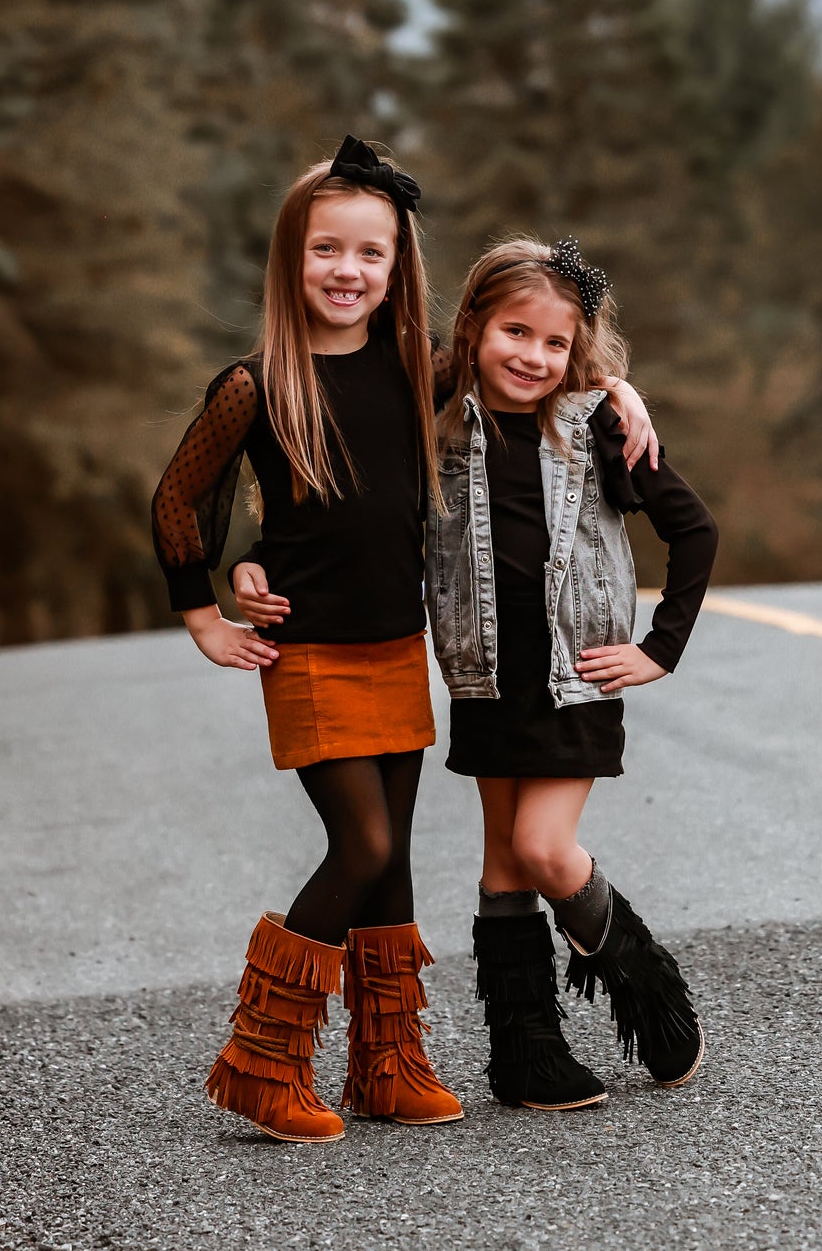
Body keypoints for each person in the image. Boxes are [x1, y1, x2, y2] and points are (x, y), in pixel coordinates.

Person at [151, 139, 655, 1144]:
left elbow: (532, 355)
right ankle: (262, 1060)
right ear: (291, 259)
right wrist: (206, 606)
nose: (347, 270)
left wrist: (616, 388)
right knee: (362, 842)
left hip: (396, 648)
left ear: (396, 268)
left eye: (369, 253)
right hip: (309, 656)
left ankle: (388, 1063)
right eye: (325, 249)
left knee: (393, 869)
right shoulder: (254, 386)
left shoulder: (416, 370)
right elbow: (178, 496)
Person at [430, 236, 719, 1111]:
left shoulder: (595, 422)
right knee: (501, 864)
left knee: (542, 848)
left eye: (556, 343)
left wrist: (657, 647)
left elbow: (693, 531)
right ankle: (525, 1056)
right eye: (516, 333)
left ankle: (649, 989)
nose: (534, 357)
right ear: (475, 327)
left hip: (575, 679)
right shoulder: (438, 416)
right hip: (484, 680)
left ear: (578, 351)